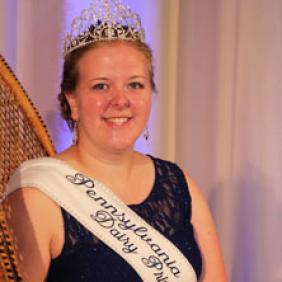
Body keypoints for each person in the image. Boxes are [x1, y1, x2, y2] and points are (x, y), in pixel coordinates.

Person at [2, 0, 228, 281]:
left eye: (135, 84)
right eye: (101, 86)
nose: (120, 101)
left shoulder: (179, 184)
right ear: (72, 100)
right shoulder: (39, 197)